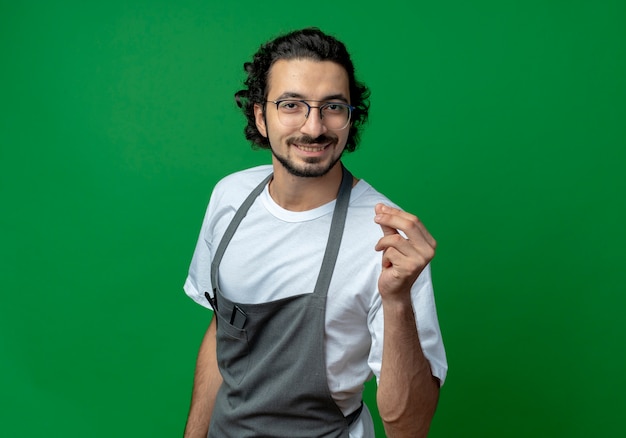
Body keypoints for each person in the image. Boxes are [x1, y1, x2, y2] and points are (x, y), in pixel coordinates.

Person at [183, 27, 447, 438]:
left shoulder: (388, 238)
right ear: (260, 116)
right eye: (292, 104)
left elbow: (409, 426)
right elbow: (223, 332)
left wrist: (397, 302)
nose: (313, 127)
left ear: (350, 116)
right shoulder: (229, 199)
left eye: (333, 107)